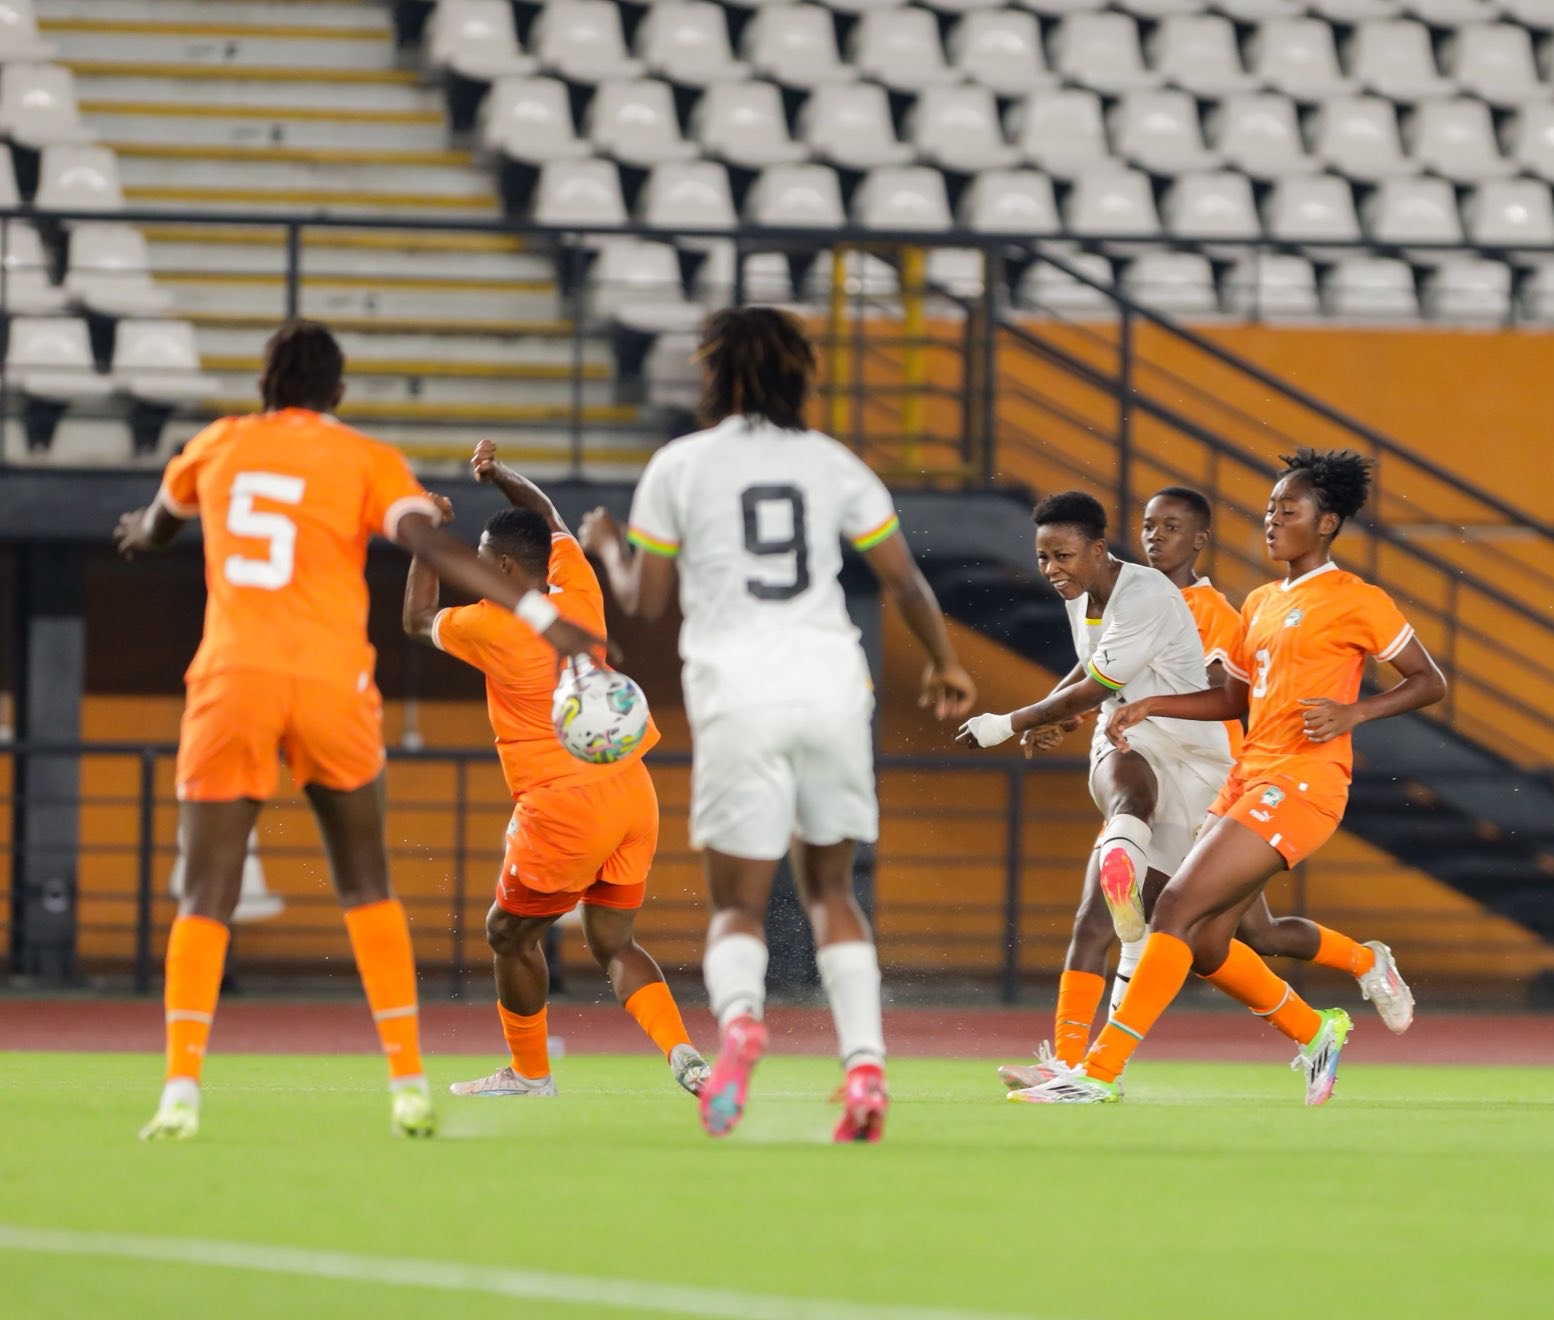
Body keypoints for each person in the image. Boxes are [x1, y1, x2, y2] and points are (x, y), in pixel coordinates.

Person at [114, 320, 600, 1142]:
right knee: (367, 884)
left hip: (231, 679)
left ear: (264, 385)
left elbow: (159, 525)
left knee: (204, 894)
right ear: (337, 392)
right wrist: (539, 615)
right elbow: (428, 541)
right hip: (330, 684)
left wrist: (135, 531)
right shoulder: (364, 458)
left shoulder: (216, 444)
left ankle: (181, 1092)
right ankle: (407, 1084)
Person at [580, 306, 977, 1143]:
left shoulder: (680, 465)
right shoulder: (832, 463)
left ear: (713, 374)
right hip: (833, 687)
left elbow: (646, 602)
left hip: (738, 694)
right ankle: (864, 1067)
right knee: (833, 891)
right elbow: (904, 581)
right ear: (801, 375)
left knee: (738, 904)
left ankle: (741, 1027)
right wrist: (944, 662)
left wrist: (609, 546)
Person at [1009, 450, 1447, 1106]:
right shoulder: (1262, 603)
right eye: (1269, 510)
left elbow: (1429, 681)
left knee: (1174, 911)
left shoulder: (1357, 600)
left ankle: (1097, 1073)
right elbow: (1231, 699)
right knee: (1212, 942)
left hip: (1303, 782)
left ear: (1326, 523)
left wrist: (1355, 711)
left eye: (1287, 511)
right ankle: (1318, 1030)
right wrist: (1153, 705)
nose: (1271, 521)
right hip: (1246, 775)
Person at [402, 441, 706, 1102]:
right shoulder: (580, 589)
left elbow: (417, 619)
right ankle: (682, 1051)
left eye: (484, 561)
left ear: (507, 569)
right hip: (631, 789)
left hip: (563, 805)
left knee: (506, 934)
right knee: (615, 941)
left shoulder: (490, 623)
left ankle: (530, 1073)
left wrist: (425, 534)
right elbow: (548, 515)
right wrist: (499, 474)